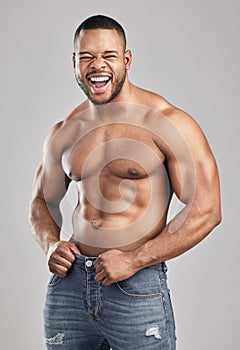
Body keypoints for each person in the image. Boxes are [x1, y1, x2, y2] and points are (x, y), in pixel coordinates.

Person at [29, 14, 221, 350]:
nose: (97, 65)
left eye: (108, 56)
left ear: (127, 60)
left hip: (135, 284)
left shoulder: (166, 122)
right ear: (74, 62)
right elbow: (41, 201)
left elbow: (206, 209)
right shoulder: (65, 130)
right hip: (69, 286)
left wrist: (137, 259)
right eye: (86, 56)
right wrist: (50, 244)